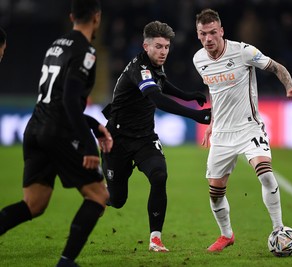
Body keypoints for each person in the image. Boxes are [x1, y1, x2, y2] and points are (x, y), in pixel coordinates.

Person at [0, 1, 113, 266]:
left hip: (35, 127)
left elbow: (56, 99)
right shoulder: (86, 52)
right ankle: (66, 261)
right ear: (96, 18)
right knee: (99, 196)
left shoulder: (55, 45)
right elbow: (70, 101)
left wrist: (95, 126)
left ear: (72, 16)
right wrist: (88, 145)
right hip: (58, 132)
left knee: (34, 204)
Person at [192, 8, 292, 252]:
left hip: (248, 127)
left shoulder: (243, 51)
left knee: (265, 173)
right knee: (215, 191)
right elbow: (216, 91)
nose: (208, 38)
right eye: (203, 34)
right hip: (222, 133)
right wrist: (212, 123)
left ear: (221, 31)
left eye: (213, 32)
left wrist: (290, 85)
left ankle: (279, 229)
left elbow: (276, 67)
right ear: (198, 35)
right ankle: (226, 235)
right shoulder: (198, 60)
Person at [101, 20, 211, 252]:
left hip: (144, 138)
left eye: (166, 47)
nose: (163, 52)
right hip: (117, 140)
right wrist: (195, 115)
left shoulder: (154, 66)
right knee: (118, 200)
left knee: (159, 175)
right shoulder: (138, 69)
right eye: (158, 47)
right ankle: (100, 194)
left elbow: (163, 84)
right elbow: (157, 98)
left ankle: (155, 238)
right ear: (146, 46)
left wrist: (188, 95)